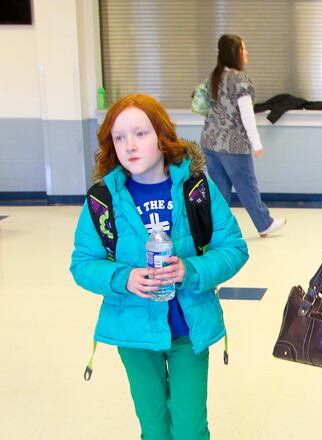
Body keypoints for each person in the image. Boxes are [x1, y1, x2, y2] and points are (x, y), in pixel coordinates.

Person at [70, 94, 249, 438]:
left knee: (190, 427)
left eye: (140, 133)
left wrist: (191, 270)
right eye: (119, 138)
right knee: (153, 427)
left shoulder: (197, 190)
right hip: (134, 333)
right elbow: (82, 263)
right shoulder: (102, 199)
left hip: (188, 332)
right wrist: (123, 278)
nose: (129, 146)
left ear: (162, 136)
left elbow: (234, 249)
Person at [200, 34, 286, 237]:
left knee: (219, 191)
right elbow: (247, 115)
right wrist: (256, 143)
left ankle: (213, 231)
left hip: (210, 142)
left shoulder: (215, 76)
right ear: (234, 53)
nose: (246, 53)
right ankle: (264, 223)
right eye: (243, 49)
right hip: (233, 145)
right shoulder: (239, 78)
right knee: (247, 186)